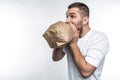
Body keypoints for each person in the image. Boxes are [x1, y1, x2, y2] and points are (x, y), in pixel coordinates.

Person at [52, 2, 109, 80]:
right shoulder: (69, 36)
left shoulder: (99, 38)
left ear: (85, 20)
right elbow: (56, 58)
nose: (67, 21)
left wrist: (73, 43)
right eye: (67, 16)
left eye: (72, 16)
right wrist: (60, 39)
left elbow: (86, 72)